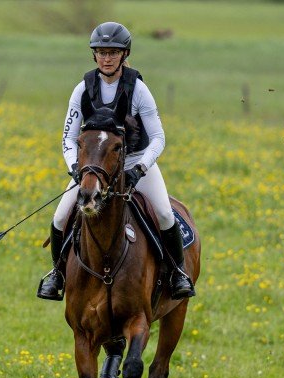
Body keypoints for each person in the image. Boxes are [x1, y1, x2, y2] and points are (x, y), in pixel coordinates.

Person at [37, 21, 195, 301]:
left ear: (124, 54)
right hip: (94, 168)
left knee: (165, 214)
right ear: (94, 55)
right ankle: (57, 275)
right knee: (60, 217)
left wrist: (140, 169)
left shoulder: (138, 90)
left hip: (135, 163)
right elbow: (67, 137)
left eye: (113, 52)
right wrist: (75, 167)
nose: (106, 58)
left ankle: (178, 273)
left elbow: (158, 137)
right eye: (101, 52)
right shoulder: (82, 90)